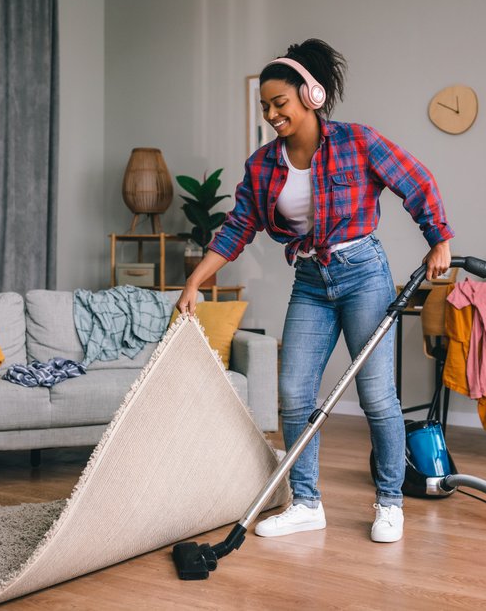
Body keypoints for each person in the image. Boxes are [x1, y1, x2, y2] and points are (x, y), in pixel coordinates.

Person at [175, 39, 453, 544]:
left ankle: (390, 502)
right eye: (265, 106)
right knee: (295, 393)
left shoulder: (357, 141)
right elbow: (238, 226)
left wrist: (440, 240)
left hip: (363, 273)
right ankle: (306, 503)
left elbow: (416, 181)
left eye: (280, 103)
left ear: (312, 95)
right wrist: (195, 280)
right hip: (311, 281)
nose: (272, 113)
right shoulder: (263, 165)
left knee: (376, 396)